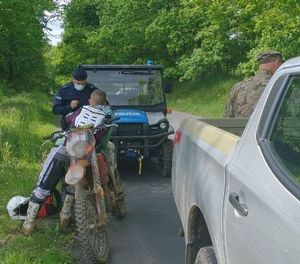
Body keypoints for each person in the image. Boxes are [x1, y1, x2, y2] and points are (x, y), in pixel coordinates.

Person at [22, 89, 113, 235]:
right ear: (104, 102)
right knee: (72, 186)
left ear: (90, 100)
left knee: (44, 186)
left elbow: (68, 120)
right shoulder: (107, 117)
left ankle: (28, 224)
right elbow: (103, 140)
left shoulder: (81, 110)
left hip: (65, 150)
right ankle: (65, 218)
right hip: (84, 156)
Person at [224, 51, 284, 118]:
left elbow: (227, 117)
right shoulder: (281, 86)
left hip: (241, 128)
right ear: (277, 62)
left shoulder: (238, 87)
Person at [53, 64, 97, 129]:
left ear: (86, 80)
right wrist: (69, 107)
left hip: (89, 126)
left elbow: (103, 104)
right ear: (73, 79)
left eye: (83, 83)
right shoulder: (64, 90)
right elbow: (56, 110)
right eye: (78, 83)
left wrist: (95, 105)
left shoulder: (92, 89)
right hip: (69, 126)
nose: (81, 85)